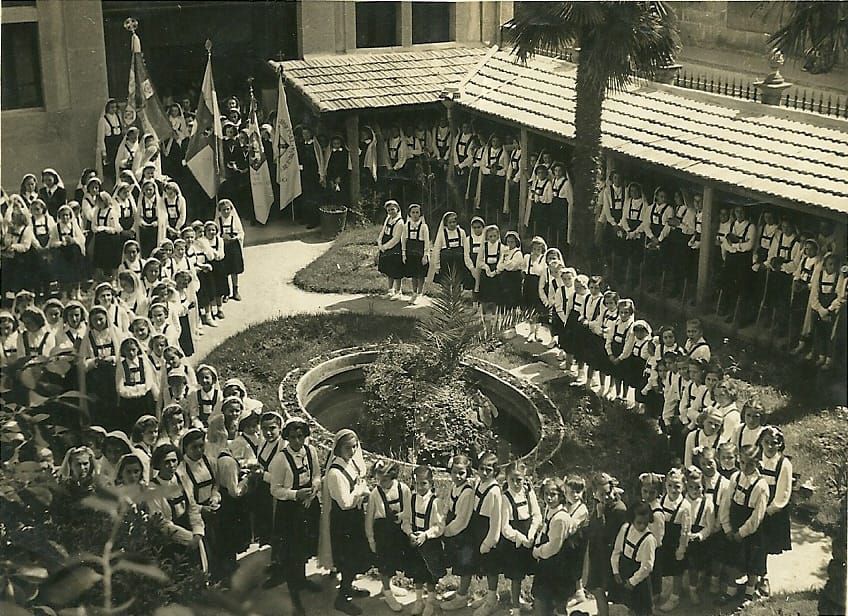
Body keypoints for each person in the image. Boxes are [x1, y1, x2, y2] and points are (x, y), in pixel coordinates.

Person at [266, 417, 322, 609]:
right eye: (293, 437)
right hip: (289, 510)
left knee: (305, 548)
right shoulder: (281, 459)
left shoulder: (310, 451)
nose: (297, 441)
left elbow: (316, 475)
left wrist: (313, 490)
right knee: (291, 553)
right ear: (287, 438)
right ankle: (294, 596)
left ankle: (302, 579)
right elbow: (275, 489)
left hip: (309, 505)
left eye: (301, 436)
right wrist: (296, 494)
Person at [319, 429, 372, 616]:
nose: (353, 451)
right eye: (348, 447)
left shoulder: (351, 465)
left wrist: (361, 492)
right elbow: (344, 503)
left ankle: (348, 586)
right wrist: (360, 491)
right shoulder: (335, 473)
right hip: (343, 522)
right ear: (338, 449)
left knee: (355, 555)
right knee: (348, 558)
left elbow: (358, 486)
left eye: (355, 446)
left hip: (354, 517)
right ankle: (341, 599)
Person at [718, 443, 770, 608]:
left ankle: (749, 592)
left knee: (752, 563)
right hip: (733, 525)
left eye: (750, 464)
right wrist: (727, 527)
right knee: (733, 561)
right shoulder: (735, 478)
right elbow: (725, 504)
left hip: (750, 531)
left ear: (757, 463)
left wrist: (742, 533)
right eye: (742, 463)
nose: (745, 467)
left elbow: (757, 517)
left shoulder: (761, 486)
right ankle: (731, 591)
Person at [149, 443, 207, 571]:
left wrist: (197, 532)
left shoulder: (182, 479)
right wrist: (189, 538)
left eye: (174, 461)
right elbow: (163, 524)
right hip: (171, 542)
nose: (171, 466)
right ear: (158, 464)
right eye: (166, 462)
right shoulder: (153, 489)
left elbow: (192, 507)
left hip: (192, 536)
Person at [497, 461, 541, 616]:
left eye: (519, 479)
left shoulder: (529, 493)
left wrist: (531, 534)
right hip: (515, 542)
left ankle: (538, 603)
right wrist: (521, 538)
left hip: (530, 536)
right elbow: (505, 527)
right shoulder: (505, 498)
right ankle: (515, 608)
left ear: (525, 478)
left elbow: (537, 515)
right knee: (516, 576)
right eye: (512, 480)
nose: (516, 483)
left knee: (536, 571)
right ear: (506, 479)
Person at [365, 459, 409, 612]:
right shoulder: (375, 494)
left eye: (384, 480)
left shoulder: (403, 489)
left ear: (393, 477)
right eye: (379, 479)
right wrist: (371, 539)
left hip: (398, 530)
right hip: (382, 532)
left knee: (394, 561)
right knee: (384, 563)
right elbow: (369, 518)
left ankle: (389, 586)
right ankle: (387, 592)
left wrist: (402, 517)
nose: (381, 483)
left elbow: (409, 510)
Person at [402, 464, 446, 616]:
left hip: (429, 542)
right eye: (417, 483)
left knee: (430, 574)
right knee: (417, 572)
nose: (420, 487)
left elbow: (439, 526)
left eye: (424, 483)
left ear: (431, 483)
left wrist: (426, 535)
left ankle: (430, 602)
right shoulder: (411, 499)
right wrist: (410, 533)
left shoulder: (435, 502)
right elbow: (406, 519)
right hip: (415, 541)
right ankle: (418, 600)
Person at [585, 472, 628, 616]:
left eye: (608, 493)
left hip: (610, 555)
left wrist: (600, 516)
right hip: (598, 554)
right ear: (594, 493)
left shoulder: (618, 509)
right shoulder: (599, 505)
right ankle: (602, 612)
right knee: (598, 588)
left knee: (614, 591)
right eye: (601, 494)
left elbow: (607, 535)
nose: (606, 497)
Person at [758, 426, 793, 598]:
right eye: (767, 443)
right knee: (752, 542)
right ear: (760, 442)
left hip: (770, 512)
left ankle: (762, 576)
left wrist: (767, 511)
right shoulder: (756, 459)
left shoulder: (783, 464)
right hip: (753, 506)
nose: (770, 447)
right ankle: (750, 572)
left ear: (780, 444)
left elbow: (783, 494)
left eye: (774, 443)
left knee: (764, 544)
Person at [531, 477, 573, 616]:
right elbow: (544, 530)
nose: (549, 498)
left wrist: (537, 551)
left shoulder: (560, 518)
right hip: (548, 563)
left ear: (561, 496)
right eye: (546, 494)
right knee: (542, 599)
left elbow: (554, 547)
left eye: (553, 494)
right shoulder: (550, 510)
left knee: (552, 601)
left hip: (556, 564)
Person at [441, 454, 477, 611]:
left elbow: (462, 520)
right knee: (459, 563)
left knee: (465, 565)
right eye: (455, 472)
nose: (457, 476)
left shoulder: (467, 492)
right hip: (454, 533)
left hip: (464, 534)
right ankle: (460, 592)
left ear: (467, 473)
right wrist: (441, 523)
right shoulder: (454, 487)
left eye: (461, 472)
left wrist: (445, 532)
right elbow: (448, 507)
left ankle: (462, 597)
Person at [610, 502, 658, 616]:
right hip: (625, 571)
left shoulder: (649, 539)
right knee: (628, 605)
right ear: (632, 519)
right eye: (639, 523)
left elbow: (647, 566)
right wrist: (615, 571)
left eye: (645, 523)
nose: (642, 526)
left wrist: (633, 581)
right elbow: (617, 550)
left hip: (639, 577)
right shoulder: (625, 529)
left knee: (642, 608)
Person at [655, 468, 692, 611]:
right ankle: (663, 592)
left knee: (677, 570)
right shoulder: (662, 500)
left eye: (677, 486)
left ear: (683, 486)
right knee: (663, 567)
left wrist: (681, 549)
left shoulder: (685, 506)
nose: (673, 489)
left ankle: (675, 597)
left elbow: (685, 530)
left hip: (676, 542)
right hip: (663, 540)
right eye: (670, 485)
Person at [115, 337, 156, 431]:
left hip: (144, 399)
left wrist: (141, 391)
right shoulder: (122, 365)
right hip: (129, 401)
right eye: (128, 350)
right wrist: (132, 393)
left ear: (138, 349)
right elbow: (120, 387)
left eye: (133, 350)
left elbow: (149, 382)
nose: (131, 353)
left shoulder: (144, 363)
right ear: (123, 351)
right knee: (130, 424)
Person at [401, 203, 430, 303]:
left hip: (420, 253)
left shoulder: (424, 226)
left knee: (420, 274)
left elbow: (427, 242)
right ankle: (414, 292)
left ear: (420, 214)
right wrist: (404, 254)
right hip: (410, 252)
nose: (415, 214)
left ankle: (420, 293)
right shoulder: (406, 226)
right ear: (409, 214)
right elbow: (403, 240)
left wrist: (426, 255)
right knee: (413, 274)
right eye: (413, 212)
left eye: (417, 212)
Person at [520, 236, 548, 342]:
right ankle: (531, 332)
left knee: (538, 308)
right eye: (534, 249)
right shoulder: (527, 257)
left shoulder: (543, 259)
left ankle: (538, 332)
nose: (536, 251)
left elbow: (542, 272)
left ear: (542, 250)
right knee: (530, 307)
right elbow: (523, 269)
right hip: (528, 283)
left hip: (538, 284)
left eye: (539, 249)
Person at [217, 199, 245, 302]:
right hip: (223, 246)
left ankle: (235, 291)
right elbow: (215, 233)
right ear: (220, 210)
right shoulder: (218, 220)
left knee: (234, 270)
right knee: (225, 270)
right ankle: (226, 293)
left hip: (233, 247)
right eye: (223, 210)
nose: (226, 212)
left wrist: (235, 237)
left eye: (228, 209)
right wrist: (221, 238)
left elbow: (241, 233)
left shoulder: (235, 220)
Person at [377, 200, 405, 299]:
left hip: (395, 248)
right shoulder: (388, 218)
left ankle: (398, 291)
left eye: (393, 209)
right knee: (389, 270)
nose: (391, 212)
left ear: (397, 209)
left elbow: (396, 239)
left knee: (396, 270)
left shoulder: (400, 222)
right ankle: (390, 290)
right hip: (386, 245)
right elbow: (383, 230)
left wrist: (385, 247)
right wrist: (379, 242)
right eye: (389, 210)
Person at [430, 211, 467, 287]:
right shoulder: (442, 234)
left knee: (458, 281)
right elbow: (437, 250)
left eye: (454, 222)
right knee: (446, 281)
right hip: (446, 261)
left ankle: (457, 296)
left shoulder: (461, 232)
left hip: (458, 261)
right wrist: (437, 265)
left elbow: (466, 248)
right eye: (450, 222)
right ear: (446, 223)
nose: (452, 224)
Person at [476, 225, 503, 316]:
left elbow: (502, 261)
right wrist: (486, 268)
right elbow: (479, 261)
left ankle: (494, 315)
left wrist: (496, 271)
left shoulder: (501, 247)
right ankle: (484, 314)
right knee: (484, 296)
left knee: (495, 296)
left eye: (494, 236)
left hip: (496, 274)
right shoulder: (484, 246)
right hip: (486, 273)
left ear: (498, 236)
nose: (492, 238)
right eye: (490, 236)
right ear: (487, 236)